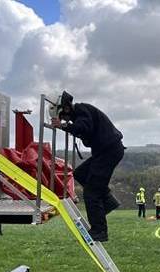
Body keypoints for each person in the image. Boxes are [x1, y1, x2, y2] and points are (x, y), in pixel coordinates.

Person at [50, 91, 123, 242]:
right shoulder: (81, 112)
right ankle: (108, 202)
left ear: (66, 108)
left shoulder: (82, 110)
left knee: (91, 192)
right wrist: (67, 126)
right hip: (105, 152)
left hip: (108, 152)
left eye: (63, 116)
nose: (65, 120)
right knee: (80, 174)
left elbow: (83, 128)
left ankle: (99, 231)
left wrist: (63, 126)